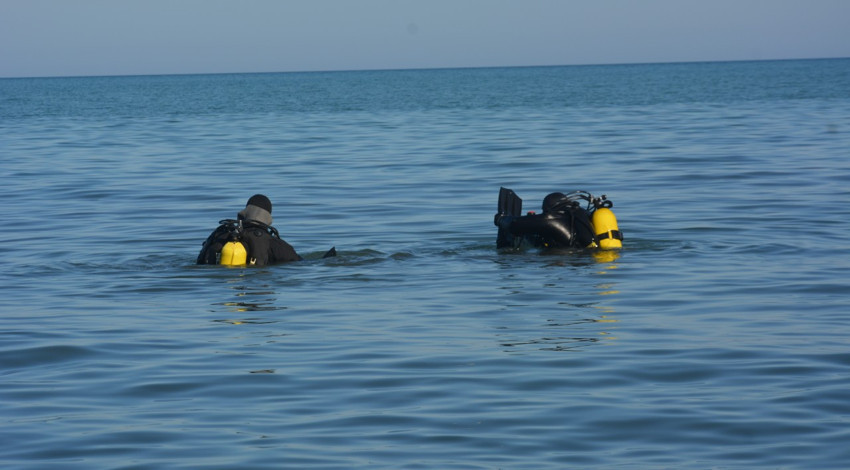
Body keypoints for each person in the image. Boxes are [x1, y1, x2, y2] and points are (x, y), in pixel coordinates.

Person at [495, 188, 622, 250]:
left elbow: (514, 224)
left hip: (576, 258)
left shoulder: (554, 218)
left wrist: (500, 219)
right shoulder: (579, 214)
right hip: (591, 256)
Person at [197, 194, 302, 266]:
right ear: (267, 217)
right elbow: (297, 262)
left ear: (245, 211)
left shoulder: (220, 234)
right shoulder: (273, 243)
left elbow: (200, 260)